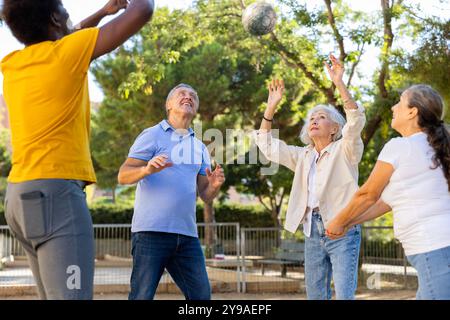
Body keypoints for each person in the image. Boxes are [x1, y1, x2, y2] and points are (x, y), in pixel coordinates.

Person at [1, 0, 155, 299]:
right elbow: (142, 11)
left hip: (18, 196)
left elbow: (69, 34)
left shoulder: (13, 64)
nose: (70, 19)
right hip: (56, 196)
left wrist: (102, 12)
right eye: (64, 11)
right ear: (54, 20)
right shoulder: (67, 55)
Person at [253, 54, 366, 299]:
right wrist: (271, 106)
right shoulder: (302, 156)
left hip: (343, 228)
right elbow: (266, 145)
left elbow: (355, 122)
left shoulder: (345, 149)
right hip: (311, 231)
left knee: (345, 295)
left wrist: (339, 84)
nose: (314, 120)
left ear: (335, 128)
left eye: (321, 117)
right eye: (311, 119)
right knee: (315, 296)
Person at [326, 84, 450, 300]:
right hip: (437, 247)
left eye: (400, 102)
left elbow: (367, 195)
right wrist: (348, 223)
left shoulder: (400, 146)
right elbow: (385, 202)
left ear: (413, 112)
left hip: (434, 247)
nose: (393, 108)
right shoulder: (434, 148)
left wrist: (337, 221)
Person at [118, 83, 225, 300]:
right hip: (150, 233)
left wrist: (213, 186)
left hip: (187, 236)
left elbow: (205, 194)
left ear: (195, 107)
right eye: (181, 94)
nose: (188, 97)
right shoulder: (152, 135)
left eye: (192, 95)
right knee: (141, 297)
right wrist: (147, 169)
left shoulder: (199, 147)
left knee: (202, 298)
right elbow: (123, 175)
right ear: (168, 104)